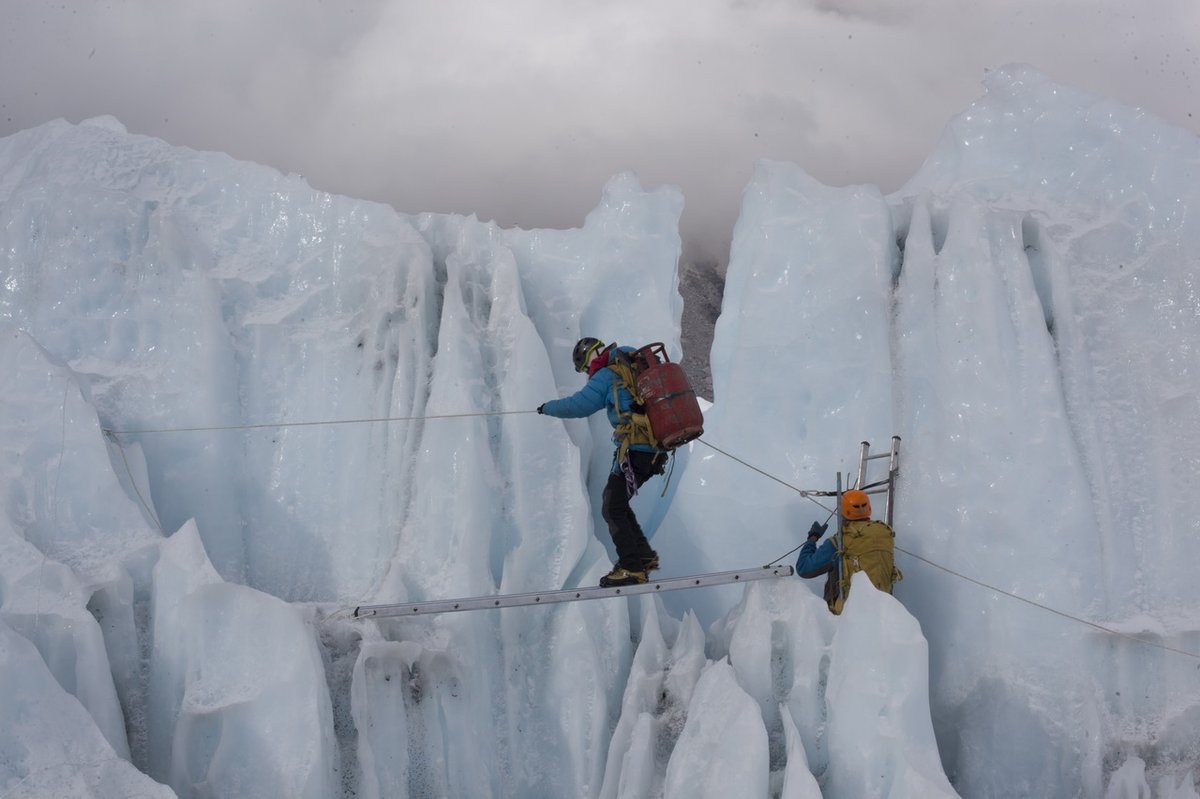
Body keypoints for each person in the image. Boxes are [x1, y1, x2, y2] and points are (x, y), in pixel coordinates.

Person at [538, 336, 668, 587]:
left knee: (612, 506)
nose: (588, 372)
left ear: (590, 357)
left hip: (636, 448)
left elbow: (578, 405)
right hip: (654, 449)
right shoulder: (631, 362)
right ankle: (642, 557)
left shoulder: (607, 374)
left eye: (586, 367)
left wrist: (547, 408)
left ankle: (632, 567)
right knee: (617, 502)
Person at [795, 488, 900, 613]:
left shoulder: (840, 541)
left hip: (848, 613)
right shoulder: (885, 534)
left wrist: (812, 538)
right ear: (868, 508)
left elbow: (804, 568)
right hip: (883, 611)